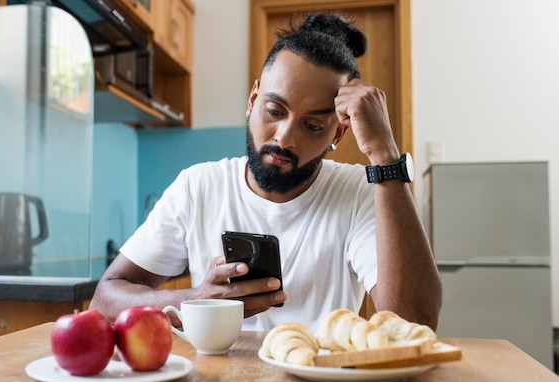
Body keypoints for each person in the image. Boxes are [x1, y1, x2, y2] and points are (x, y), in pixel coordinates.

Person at [89, 13, 442, 331]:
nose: (284, 137)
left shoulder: (361, 194)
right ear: (252, 99)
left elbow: (415, 322)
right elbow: (104, 301)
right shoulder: (198, 187)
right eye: (274, 110)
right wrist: (198, 300)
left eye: (313, 126)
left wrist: (385, 156)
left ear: (337, 133)